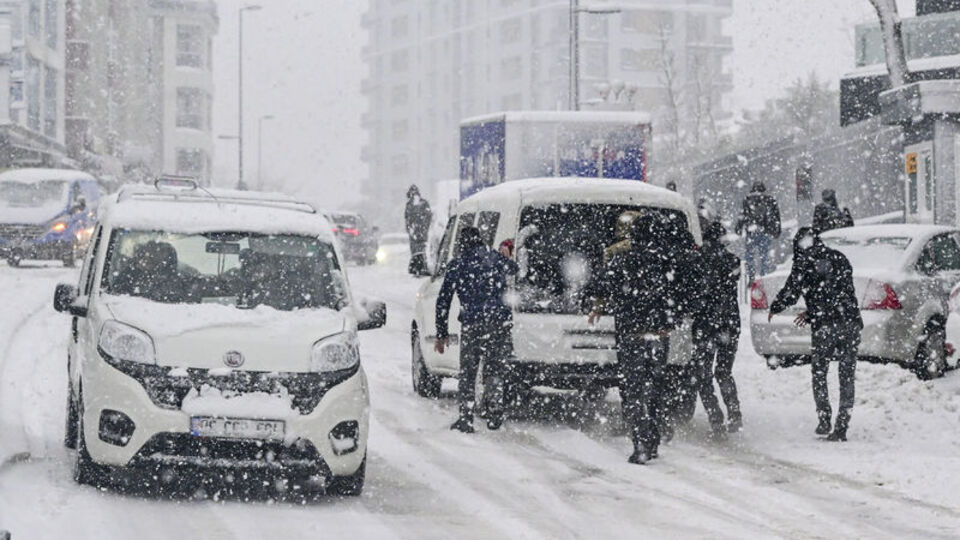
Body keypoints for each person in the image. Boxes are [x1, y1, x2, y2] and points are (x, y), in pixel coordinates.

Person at [589, 215, 686, 464]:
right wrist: (671, 320)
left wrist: (598, 307)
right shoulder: (667, 260)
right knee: (655, 388)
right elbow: (682, 291)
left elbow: (602, 285)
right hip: (659, 335)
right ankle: (653, 440)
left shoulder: (622, 259)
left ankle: (640, 441)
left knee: (633, 390)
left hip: (631, 334)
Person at [768, 227, 862, 442]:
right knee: (847, 375)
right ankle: (842, 425)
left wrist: (776, 306)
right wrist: (814, 312)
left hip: (825, 326)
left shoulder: (804, 262)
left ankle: (824, 418)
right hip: (850, 322)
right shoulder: (839, 257)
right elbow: (842, 294)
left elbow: (792, 291)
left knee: (820, 372)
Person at [435, 227, 519, 433]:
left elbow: (443, 300)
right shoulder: (495, 259)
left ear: (461, 243)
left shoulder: (457, 264)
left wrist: (441, 333)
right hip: (498, 323)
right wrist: (505, 255)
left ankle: (466, 418)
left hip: (472, 324)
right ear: (480, 240)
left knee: (468, 372)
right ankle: (495, 412)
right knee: (494, 368)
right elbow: (515, 269)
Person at [692, 222, 743, 438]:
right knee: (724, 371)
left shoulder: (697, 261)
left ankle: (716, 419)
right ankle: (734, 412)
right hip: (729, 323)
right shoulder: (733, 260)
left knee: (703, 376)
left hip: (705, 325)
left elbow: (693, 291)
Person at [736, 181, 781, 281]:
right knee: (764, 254)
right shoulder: (770, 200)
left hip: (751, 231)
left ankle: (751, 275)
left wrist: (739, 228)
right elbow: (776, 217)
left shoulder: (747, 200)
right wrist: (776, 231)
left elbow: (742, 215)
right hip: (765, 231)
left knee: (750, 255)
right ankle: (764, 276)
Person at [405, 185, 433, 276]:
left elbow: (407, 219)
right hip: (420, 231)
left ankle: (417, 267)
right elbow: (428, 216)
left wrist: (410, 229)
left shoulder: (410, 205)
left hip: (415, 231)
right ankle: (421, 267)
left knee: (416, 250)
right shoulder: (423, 203)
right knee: (421, 249)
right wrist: (424, 228)